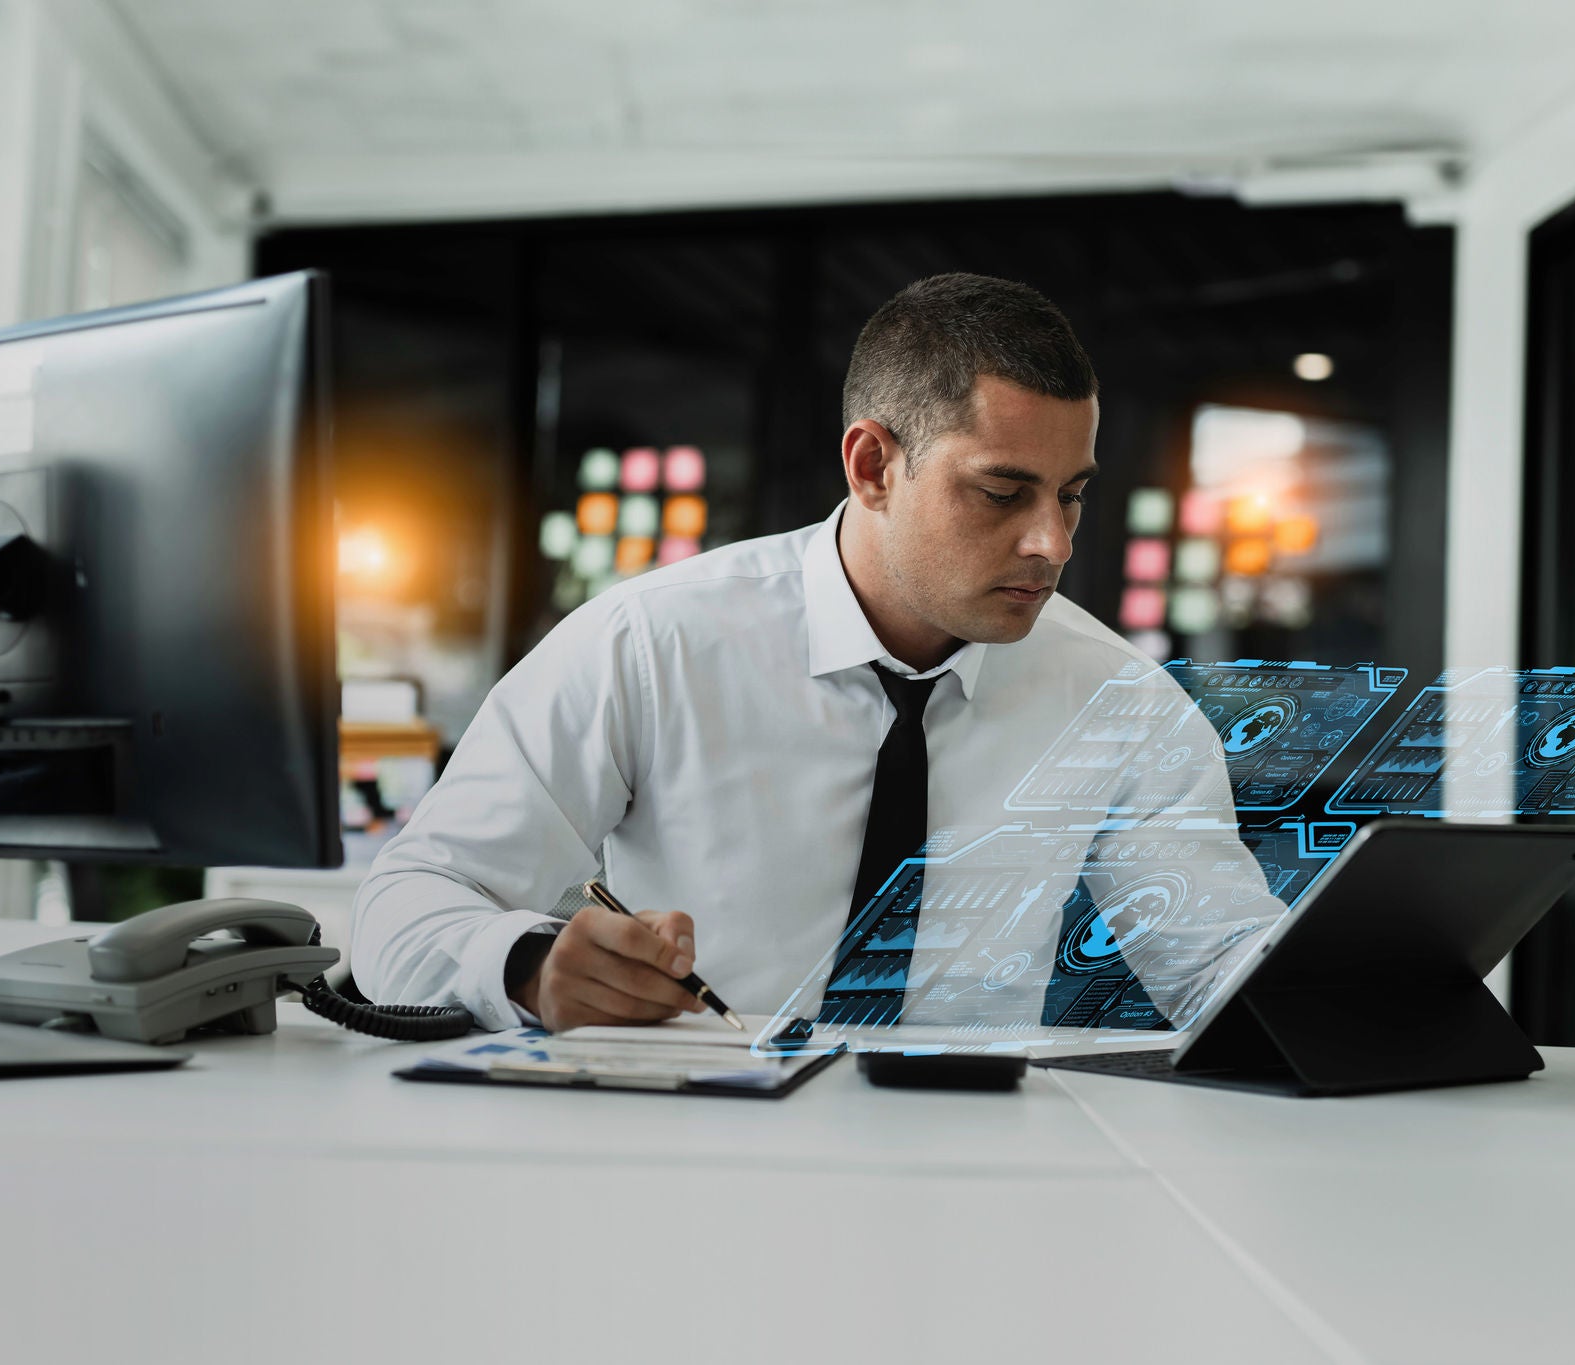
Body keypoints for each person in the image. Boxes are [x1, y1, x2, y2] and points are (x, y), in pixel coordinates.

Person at [352, 272, 1261, 1033]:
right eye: (1001, 492)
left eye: (1071, 495)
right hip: (693, 1154)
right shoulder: (652, 644)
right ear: (871, 467)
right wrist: (528, 967)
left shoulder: (1121, 702)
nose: (1052, 543)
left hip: (970, 1184)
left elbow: (1221, 963)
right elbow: (406, 902)